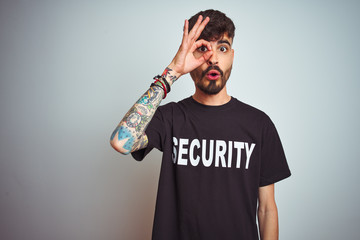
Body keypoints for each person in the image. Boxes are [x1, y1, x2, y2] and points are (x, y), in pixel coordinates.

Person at [110, 9, 291, 240]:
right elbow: (121, 141)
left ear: (232, 56)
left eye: (222, 48)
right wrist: (172, 73)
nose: (213, 58)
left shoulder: (259, 124)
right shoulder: (170, 118)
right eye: (202, 49)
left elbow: (266, 209)